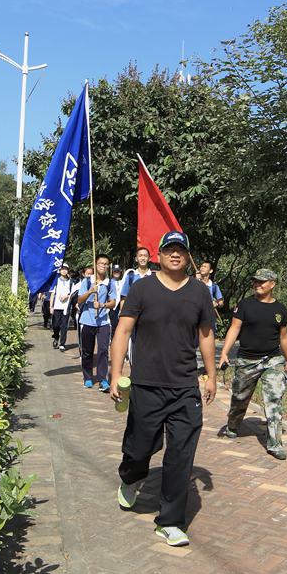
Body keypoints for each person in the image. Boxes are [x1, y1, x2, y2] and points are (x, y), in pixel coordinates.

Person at [110, 231, 216, 547]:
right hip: (147, 385)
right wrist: (116, 373)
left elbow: (206, 335)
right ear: (159, 254)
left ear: (187, 256)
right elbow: (123, 331)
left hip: (185, 386)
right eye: (169, 249)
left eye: (180, 249)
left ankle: (169, 521)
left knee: (181, 454)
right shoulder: (142, 288)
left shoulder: (199, 292)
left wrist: (211, 375)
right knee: (140, 447)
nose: (175, 254)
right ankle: (132, 477)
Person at [217, 268, 287, 460]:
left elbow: (284, 336)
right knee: (240, 397)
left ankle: (275, 444)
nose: (257, 284)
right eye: (255, 281)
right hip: (247, 360)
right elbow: (234, 329)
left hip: (273, 360)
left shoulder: (280, 309)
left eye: (262, 281)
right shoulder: (245, 305)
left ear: (272, 284)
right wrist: (224, 352)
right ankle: (233, 425)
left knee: (274, 400)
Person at [76, 255, 116, 392]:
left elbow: (113, 303)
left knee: (103, 350)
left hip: (103, 321)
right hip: (87, 321)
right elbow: (80, 300)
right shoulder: (88, 281)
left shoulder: (110, 283)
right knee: (87, 351)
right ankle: (87, 377)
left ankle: (102, 379)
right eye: (101, 263)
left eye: (106, 264)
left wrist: (102, 305)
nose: (103, 266)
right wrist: (90, 291)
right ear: (95, 264)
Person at [120, 247, 153, 363]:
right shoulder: (131, 276)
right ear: (136, 258)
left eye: (145, 256)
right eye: (140, 256)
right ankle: (134, 371)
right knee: (133, 348)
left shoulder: (154, 276)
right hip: (133, 319)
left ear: (149, 258)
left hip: (150, 319)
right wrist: (122, 316)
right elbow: (124, 298)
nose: (143, 258)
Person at [48, 264, 74, 349]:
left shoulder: (71, 282)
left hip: (66, 307)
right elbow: (52, 294)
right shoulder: (56, 281)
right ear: (59, 270)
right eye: (62, 269)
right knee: (55, 325)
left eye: (66, 269)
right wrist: (51, 306)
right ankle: (56, 337)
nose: (64, 271)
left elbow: (73, 294)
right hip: (57, 306)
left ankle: (62, 343)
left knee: (64, 326)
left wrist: (67, 296)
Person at [109, 264, 124, 329]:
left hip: (121, 306)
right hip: (112, 306)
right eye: (115, 271)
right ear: (112, 272)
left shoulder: (123, 282)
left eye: (118, 271)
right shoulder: (109, 282)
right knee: (113, 326)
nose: (116, 273)